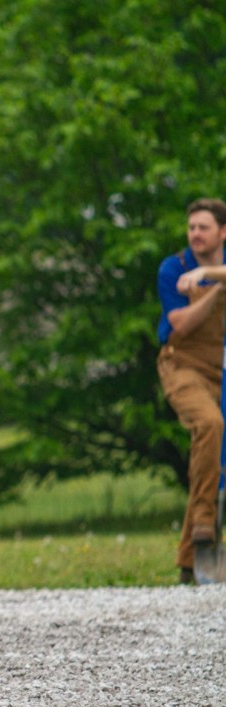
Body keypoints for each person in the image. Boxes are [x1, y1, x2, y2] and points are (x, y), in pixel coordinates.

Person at [156, 198, 226, 585]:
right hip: (182, 366)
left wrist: (211, 275)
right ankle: (204, 519)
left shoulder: (211, 268)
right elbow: (179, 324)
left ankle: (189, 563)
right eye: (191, 227)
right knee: (209, 424)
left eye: (203, 227)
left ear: (223, 232)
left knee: (212, 452)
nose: (195, 234)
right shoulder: (174, 268)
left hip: (221, 370)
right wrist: (216, 289)